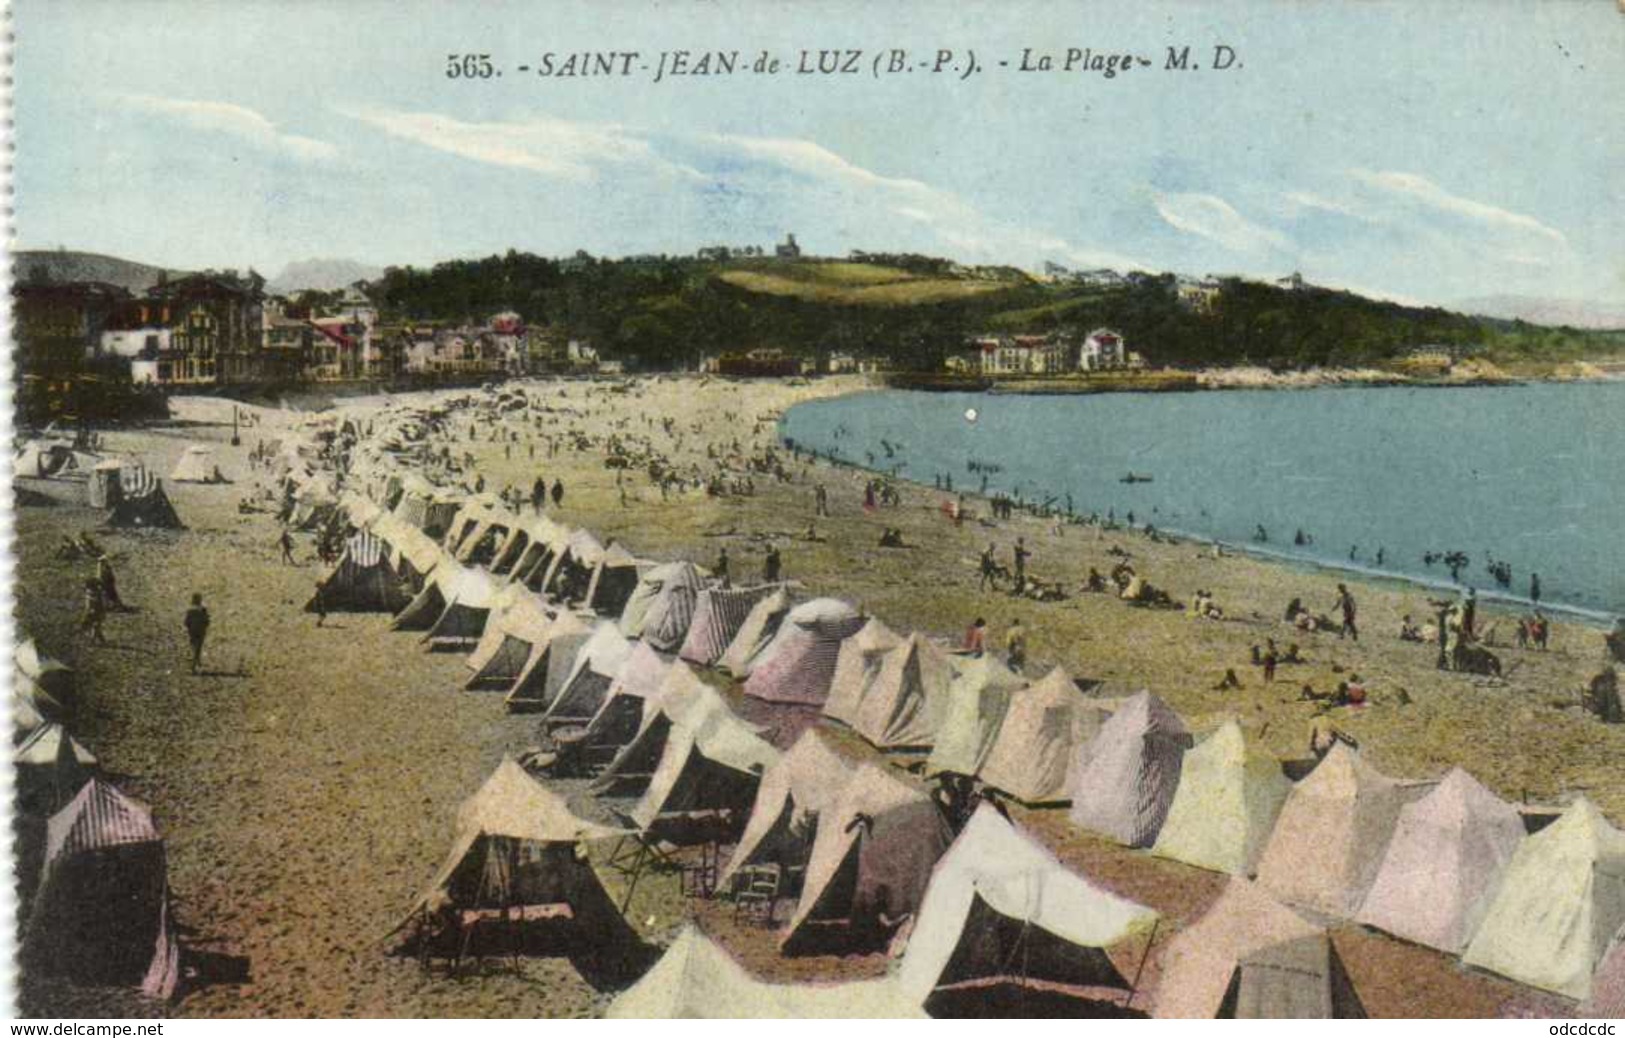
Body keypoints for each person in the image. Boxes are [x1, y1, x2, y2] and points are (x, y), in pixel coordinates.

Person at [184, 593, 211, 674]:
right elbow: (206, 621)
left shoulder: (190, 610)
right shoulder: (203, 609)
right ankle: (195, 666)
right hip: (201, 631)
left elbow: (186, 622)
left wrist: (189, 628)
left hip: (192, 631)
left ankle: (194, 666)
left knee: (193, 647)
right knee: (198, 649)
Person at [79, 579, 107, 645]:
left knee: (95, 626)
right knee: (95, 626)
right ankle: (101, 640)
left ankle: (92, 640)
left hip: (95, 612)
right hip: (94, 612)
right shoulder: (96, 593)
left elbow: (95, 604)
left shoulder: (93, 594)